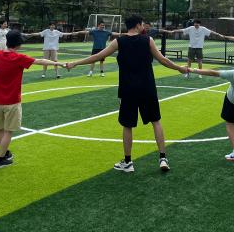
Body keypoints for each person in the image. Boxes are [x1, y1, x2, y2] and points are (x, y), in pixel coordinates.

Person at [66, 15, 188, 173]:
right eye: (142, 24)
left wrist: (75, 63)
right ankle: (162, 158)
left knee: (128, 125)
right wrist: (179, 68)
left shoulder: (119, 41)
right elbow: (163, 60)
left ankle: (128, 162)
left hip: (128, 89)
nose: (144, 26)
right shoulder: (148, 40)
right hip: (147, 87)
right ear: (137, 25)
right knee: (156, 121)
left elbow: (98, 56)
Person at [0, 30, 62, 168]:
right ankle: (0, 159)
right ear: (19, 44)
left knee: (0, 130)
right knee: (8, 131)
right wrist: (60, 64)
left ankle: (5, 153)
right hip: (12, 101)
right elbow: (40, 61)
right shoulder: (19, 58)